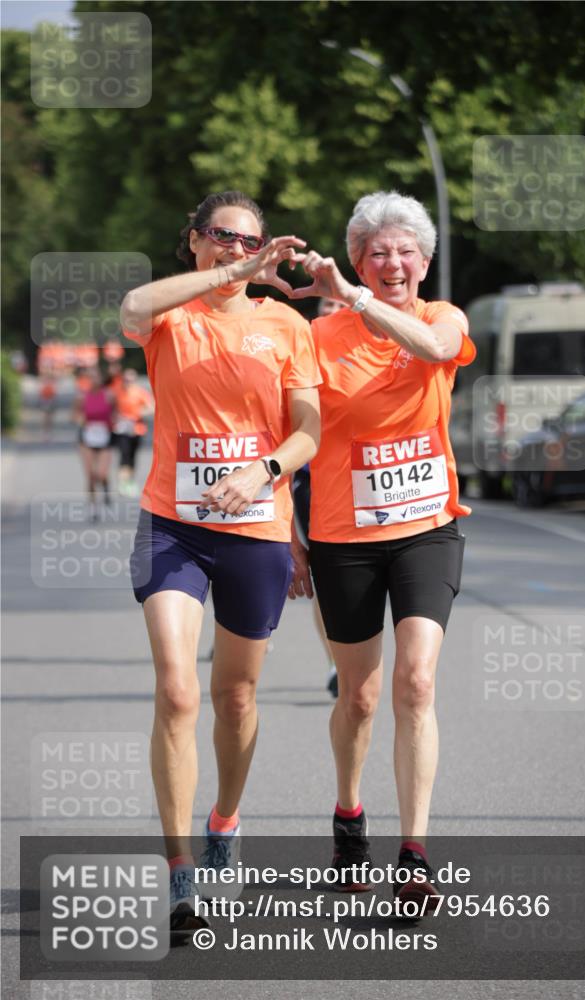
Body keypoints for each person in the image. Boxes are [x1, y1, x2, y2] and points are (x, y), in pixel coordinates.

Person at [119, 190, 320, 936]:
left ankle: (225, 821)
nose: (236, 249)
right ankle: (179, 875)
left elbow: (308, 431)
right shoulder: (170, 314)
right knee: (176, 693)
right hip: (172, 523)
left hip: (256, 526)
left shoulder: (286, 326)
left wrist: (264, 473)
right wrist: (226, 273)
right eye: (221, 237)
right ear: (196, 241)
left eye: (249, 242)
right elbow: (133, 303)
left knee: (234, 698)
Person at [290, 191, 475, 911]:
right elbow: (293, 435)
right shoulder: (317, 339)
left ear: (423, 262)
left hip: (427, 527)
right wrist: (289, 533)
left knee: (417, 683)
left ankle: (415, 853)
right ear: (359, 260)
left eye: (403, 251)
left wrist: (356, 300)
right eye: (375, 253)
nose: (391, 262)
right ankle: (347, 818)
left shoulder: (441, 319)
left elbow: (430, 350)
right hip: (344, 536)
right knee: (360, 697)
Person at [290, 297, 344, 697]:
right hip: (314, 484)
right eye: (326, 304)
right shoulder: (299, 350)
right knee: (327, 583)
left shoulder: (369, 349)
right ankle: (334, 664)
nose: (332, 311)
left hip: (362, 483)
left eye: (340, 304)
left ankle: (354, 657)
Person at [72, 367, 116, 519]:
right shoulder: (82, 397)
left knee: (101, 473)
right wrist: (80, 419)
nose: (93, 380)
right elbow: (74, 415)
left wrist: (115, 422)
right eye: (90, 378)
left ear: (101, 378)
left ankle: (105, 486)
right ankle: (93, 506)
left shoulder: (109, 395)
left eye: (96, 377)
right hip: (87, 438)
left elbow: (116, 412)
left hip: (105, 437)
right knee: (90, 474)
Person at [112, 368, 154, 497]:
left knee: (132, 457)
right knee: (124, 455)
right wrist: (117, 417)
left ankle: (130, 481)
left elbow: (151, 408)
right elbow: (111, 408)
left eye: (130, 380)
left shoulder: (140, 392)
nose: (128, 382)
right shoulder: (117, 392)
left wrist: (137, 413)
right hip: (122, 429)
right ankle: (122, 482)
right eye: (125, 380)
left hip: (137, 429)